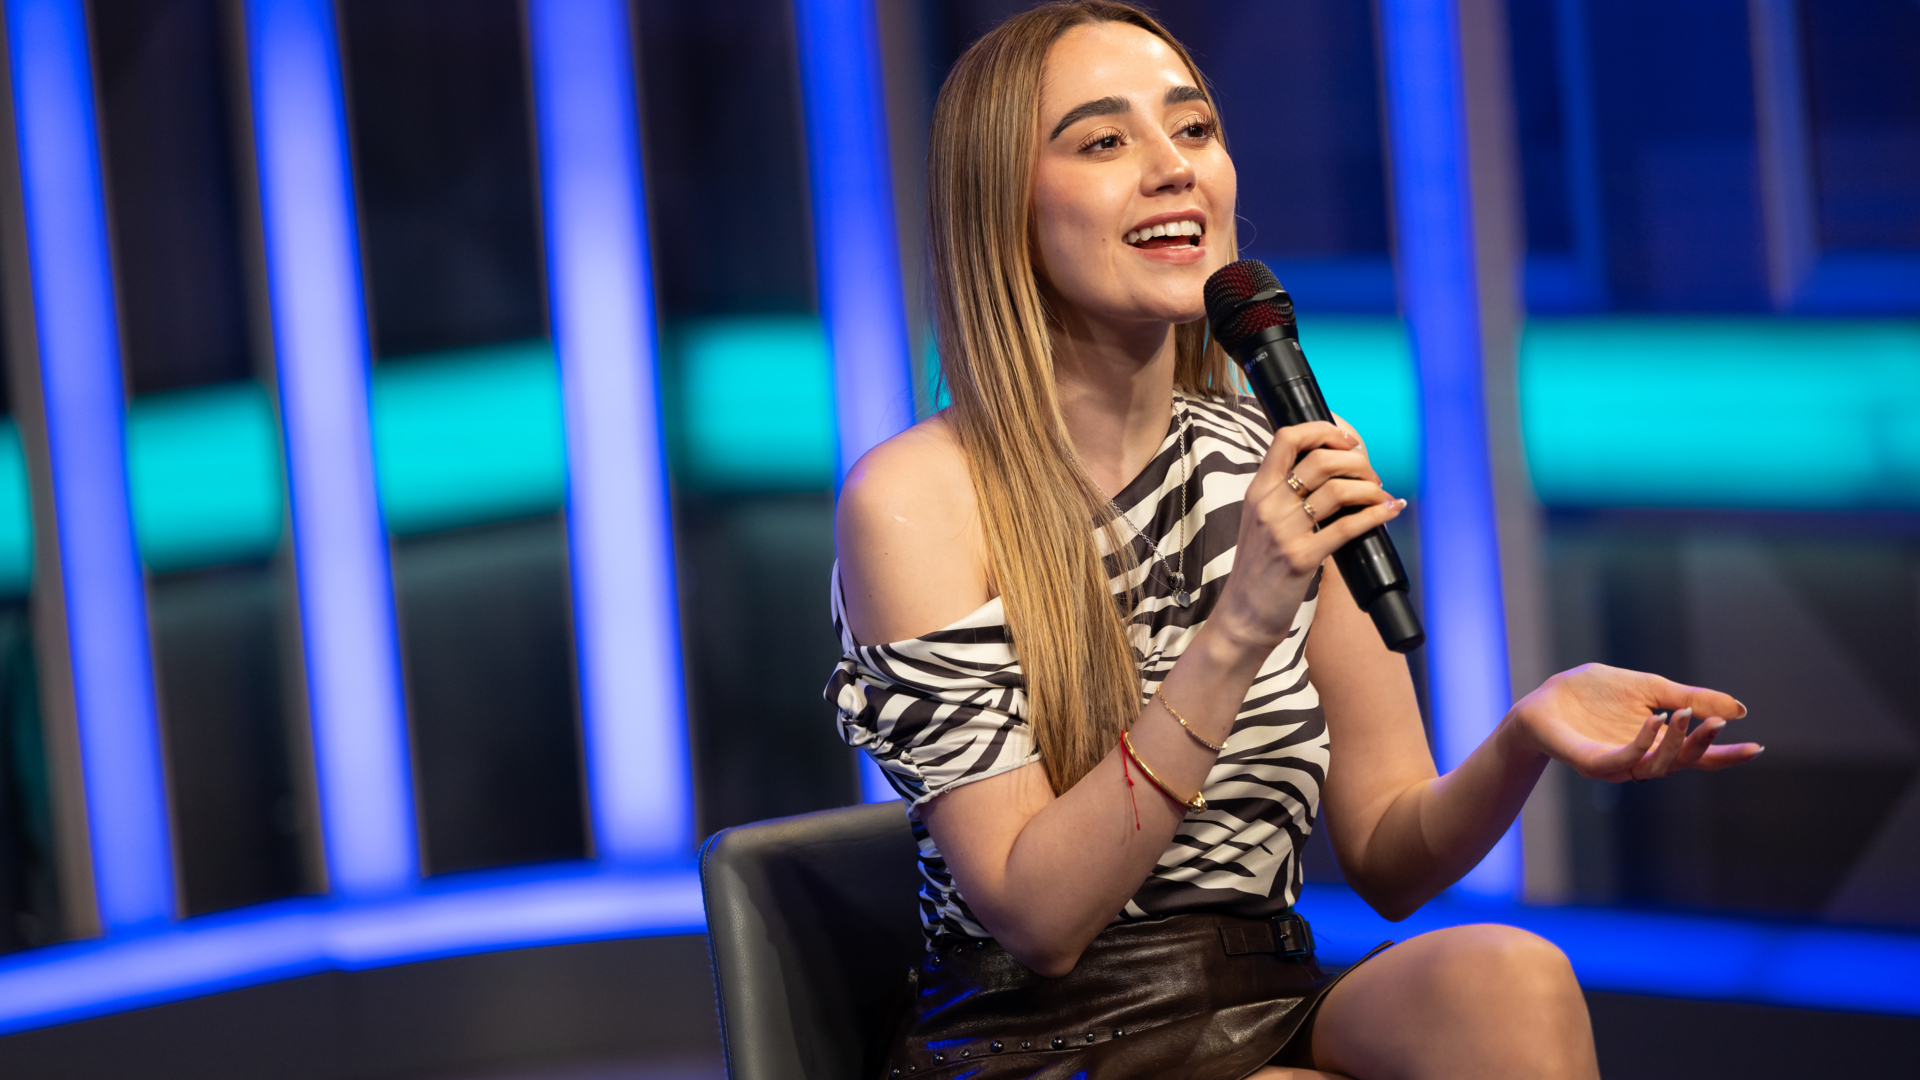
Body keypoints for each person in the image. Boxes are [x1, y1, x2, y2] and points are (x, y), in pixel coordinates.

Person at [826, 4, 1758, 1077]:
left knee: (1510, 976)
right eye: (1105, 141)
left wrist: (1523, 738)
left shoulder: (1268, 456)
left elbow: (1391, 854)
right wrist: (1240, 626)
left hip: (1257, 993)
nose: (1174, 169)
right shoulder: (918, 497)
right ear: (1004, 208)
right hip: (1032, 1033)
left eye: (1193, 129)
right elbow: (1038, 918)